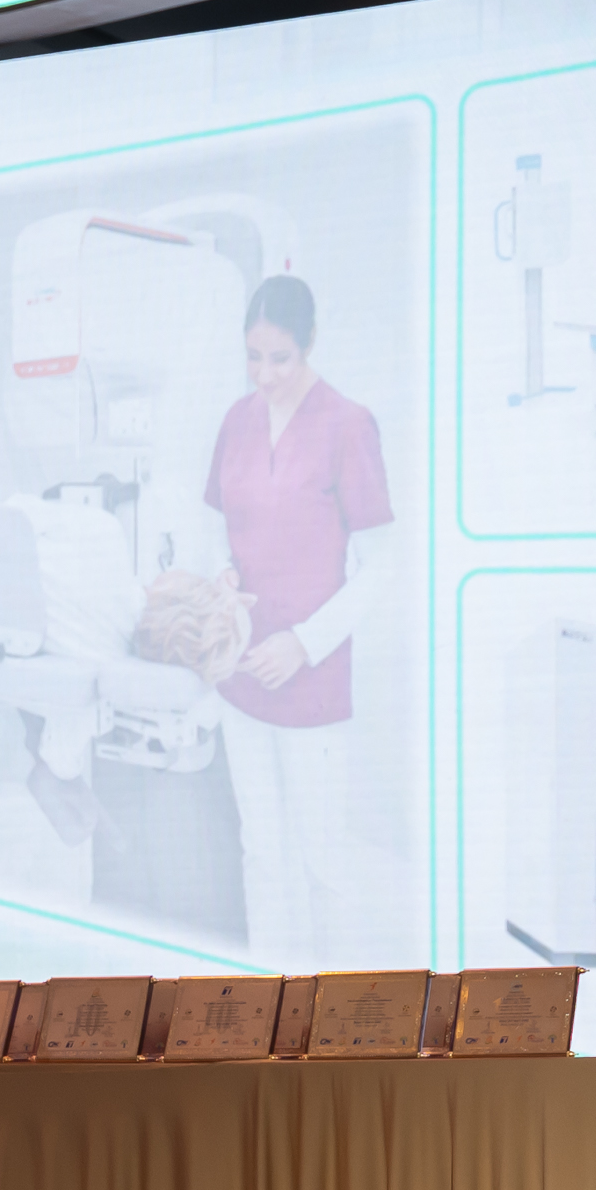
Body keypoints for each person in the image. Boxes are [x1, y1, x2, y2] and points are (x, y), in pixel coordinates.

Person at [203, 274, 392, 966]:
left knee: (323, 858)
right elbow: (218, 528)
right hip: (241, 671)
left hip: (310, 680)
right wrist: (223, 571)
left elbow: (380, 568)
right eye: (252, 357)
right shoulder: (237, 420)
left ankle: (335, 1007)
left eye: (279, 358)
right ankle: (272, 995)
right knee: (262, 849)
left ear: (309, 342)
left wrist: (304, 644)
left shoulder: (348, 424)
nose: (264, 374)